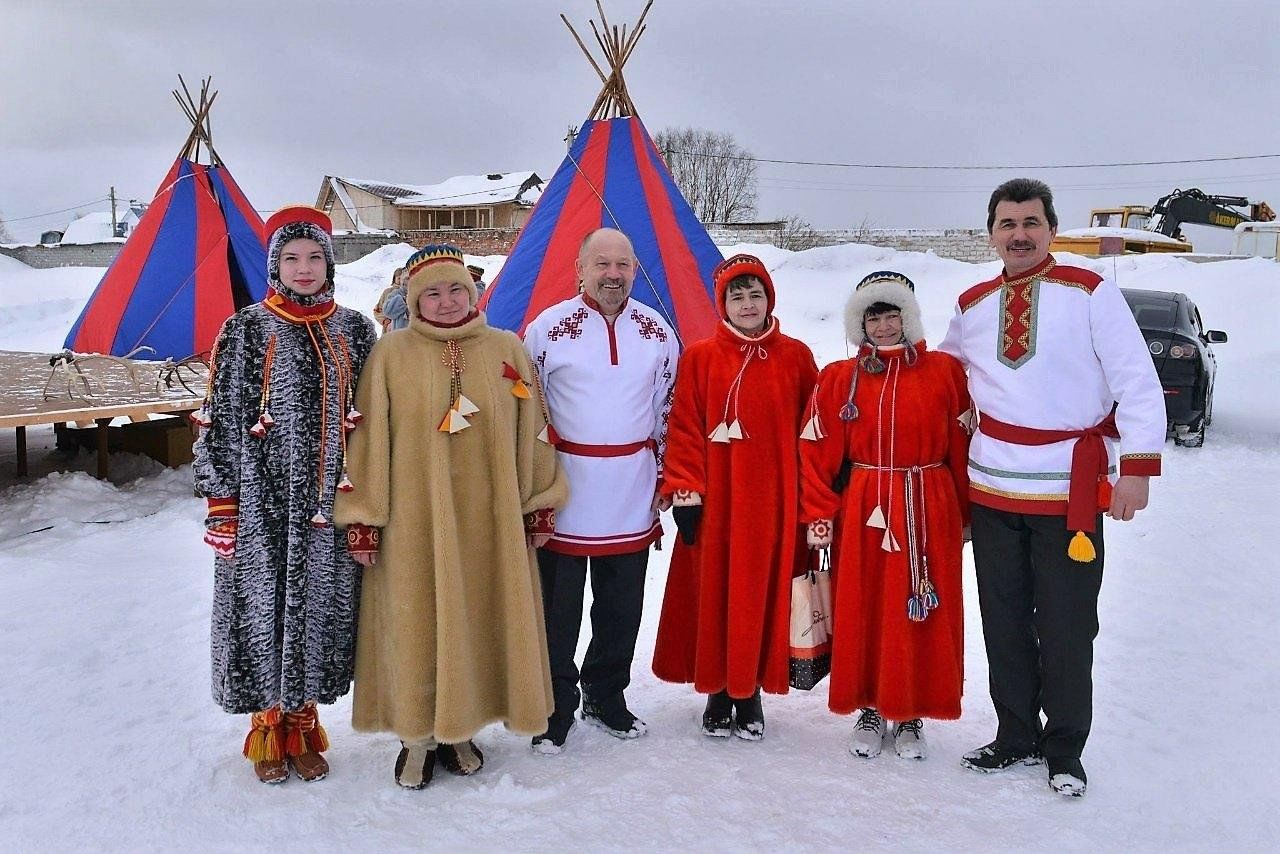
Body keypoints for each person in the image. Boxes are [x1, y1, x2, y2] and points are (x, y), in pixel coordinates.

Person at [940, 178, 1165, 797]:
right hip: (990, 491)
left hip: (1068, 491)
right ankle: (1014, 734)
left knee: (1067, 625)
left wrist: (1136, 472)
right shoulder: (972, 303)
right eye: (1007, 224)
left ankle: (1064, 747)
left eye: (1031, 223)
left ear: (1050, 229)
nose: (1019, 234)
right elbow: (945, 380)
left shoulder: (1092, 292)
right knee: (1004, 620)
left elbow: (1136, 382)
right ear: (991, 233)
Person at [333, 244, 568, 789]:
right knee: (417, 621)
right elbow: (365, 441)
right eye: (432, 293)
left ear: (474, 292)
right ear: (413, 299)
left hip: (490, 522)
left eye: (456, 289)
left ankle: (462, 729)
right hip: (414, 522)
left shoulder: (506, 348)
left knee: (479, 616)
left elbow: (534, 428)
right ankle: (416, 738)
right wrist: (365, 515)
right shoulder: (391, 354)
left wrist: (537, 503)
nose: (445, 301)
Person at [193, 205, 377, 784]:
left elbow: (373, 424)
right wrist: (223, 502)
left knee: (322, 612)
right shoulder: (245, 328)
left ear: (330, 263)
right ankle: (267, 728)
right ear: (274, 264)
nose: (304, 268)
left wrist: (367, 502)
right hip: (260, 504)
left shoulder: (353, 329)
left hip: (330, 502)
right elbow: (219, 419)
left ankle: (305, 724)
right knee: (261, 613)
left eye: (315, 257)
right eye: (292, 258)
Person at [799, 271, 971, 761]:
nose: (884, 325)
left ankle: (913, 711)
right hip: (865, 504)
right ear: (860, 322)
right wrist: (819, 512)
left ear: (908, 316)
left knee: (920, 608)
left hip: (927, 501)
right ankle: (870, 707)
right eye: (873, 316)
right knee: (867, 606)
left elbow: (961, 443)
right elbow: (814, 451)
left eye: (893, 314)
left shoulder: (944, 372)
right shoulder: (838, 378)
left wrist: (964, 514)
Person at [523, 227, 679, 753]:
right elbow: (531, 413)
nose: (614, 275)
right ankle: (554, 705)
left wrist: (664, 476)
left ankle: (606, 694)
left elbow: (668, 411)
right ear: (580, 269)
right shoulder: (547, 330)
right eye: (603, 265)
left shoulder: (658, 332)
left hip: (631, 490)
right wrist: (535, 486)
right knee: (557, 609)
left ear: (636, 270)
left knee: (621, 606)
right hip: (566, 489)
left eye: (624, 265)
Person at [651, 254, 817, 740]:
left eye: (755, 294)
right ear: (722, 303)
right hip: (718, 502)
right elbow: (683, 427)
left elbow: (815, 431)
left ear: (770, 299)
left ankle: (751, 692)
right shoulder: (701, 356)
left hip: (774, 502)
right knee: (717, 594)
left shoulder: (797, 356)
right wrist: (686, 492)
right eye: (736, 296)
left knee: (762, 595)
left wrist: (816, 500)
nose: (747, 304)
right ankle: (718, 690)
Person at [373, 265, 410, 333]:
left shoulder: (415, 291)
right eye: (399, 278)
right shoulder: (388, 292)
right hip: (391, 331)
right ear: (394, 279)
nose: (401, 281)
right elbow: (378, 310)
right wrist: (385, 321)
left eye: (408, 278)